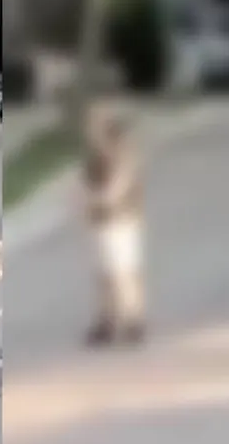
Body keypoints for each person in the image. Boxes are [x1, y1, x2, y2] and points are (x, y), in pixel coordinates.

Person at [83, 108, 145, 345]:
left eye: (95, 129)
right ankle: (107, 320)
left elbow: (117, 188)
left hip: (121, 221)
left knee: (123, 273)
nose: (91, 134)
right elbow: (83, 186)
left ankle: (133, 321)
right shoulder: (96, 158)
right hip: (102, 222)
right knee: (105, 275)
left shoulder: (123, 156)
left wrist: (97, 199)